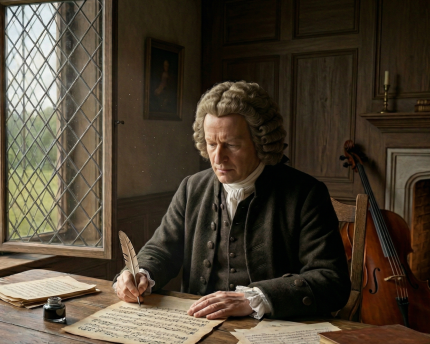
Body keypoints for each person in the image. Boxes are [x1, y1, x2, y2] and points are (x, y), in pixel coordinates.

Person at [114, 81, 350, 320]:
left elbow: (331, 280)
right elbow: (161, 250)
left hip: (273, 329)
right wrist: (140, 273)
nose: (217, 158)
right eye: (211, 144)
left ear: (261, 142)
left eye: (232, 145)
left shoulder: (305, 193)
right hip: (196, 324)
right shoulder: (192, 187)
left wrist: (256, 298)